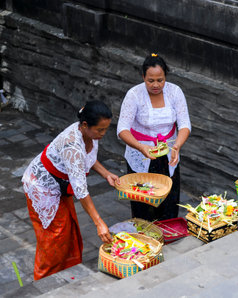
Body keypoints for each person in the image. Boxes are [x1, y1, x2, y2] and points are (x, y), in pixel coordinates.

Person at [22, 100, 120, 280]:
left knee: (69, 228)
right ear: (84, 125)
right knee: (54, 235)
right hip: (42, 186)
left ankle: (66, 271)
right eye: (100, 130)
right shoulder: (72, 145)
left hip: (61, 183)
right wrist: (99, 223)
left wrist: (106, 173)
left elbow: (88, 157)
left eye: (106, 129)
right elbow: (81, 190)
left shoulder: (89, 134)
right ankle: (43, 279)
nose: (103, 134)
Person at [117, 53, 191, 221]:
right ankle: (145, 238)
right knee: (143, 203)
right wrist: (141, 147)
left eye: (160, 80)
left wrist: (177, 145)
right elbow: (122, 129)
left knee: (169, 199)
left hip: (168, 154)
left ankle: (167, 234)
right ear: (143, 77)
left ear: (165, 77)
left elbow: (185, 124)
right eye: (151, 80)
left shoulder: (175, 92)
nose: (156, 85)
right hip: (141, 155)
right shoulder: (134, 95)